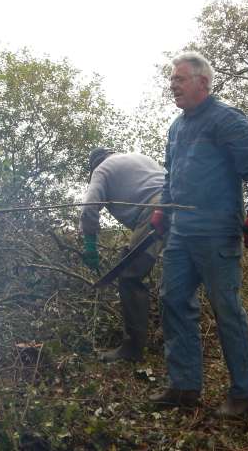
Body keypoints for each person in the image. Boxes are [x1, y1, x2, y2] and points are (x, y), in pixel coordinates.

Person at [148, 51, 248, 418]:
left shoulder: (227, 119)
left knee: (226, 310)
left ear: (202, 82)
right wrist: (163, 208)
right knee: (173, 300)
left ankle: (244, 394)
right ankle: (184, 386)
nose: (173, 85)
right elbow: (171, 176)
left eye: (180, 79)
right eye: (172, 79)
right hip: (181, 233)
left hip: (217, 232)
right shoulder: (176, 127)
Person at [80, 148, 166, 362]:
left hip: (155, 209)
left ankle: (132, 350)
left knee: (129, 274)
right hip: (181, 205)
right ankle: (172, 340)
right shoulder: (140, 158)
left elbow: (89, 208)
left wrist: (90, 246)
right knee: (178, 277)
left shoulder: (102, 170)